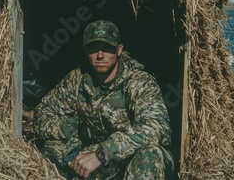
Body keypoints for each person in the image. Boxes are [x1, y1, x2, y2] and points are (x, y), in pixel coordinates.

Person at [33, 20, 175, 179]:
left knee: (150, 154)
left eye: (107, 48)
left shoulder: (138, 81)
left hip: (132, 158)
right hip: (102, 159)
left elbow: (157, 127)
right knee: (52, 148)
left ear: (119, 49)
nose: (100, 55)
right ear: (85, 51)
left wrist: (102, 153)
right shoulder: (77, 79)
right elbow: (42, 113)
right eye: (93, 48)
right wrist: (72, 129)